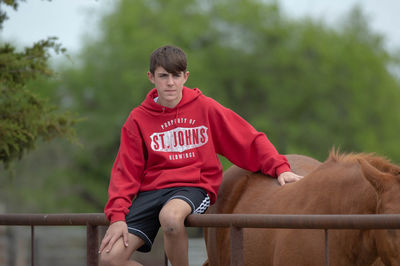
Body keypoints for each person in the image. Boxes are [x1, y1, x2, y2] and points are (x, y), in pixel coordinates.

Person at [98, 45, 303, 266]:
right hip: (151, 192)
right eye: (163, 76)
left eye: (176, 76)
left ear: (185, 77)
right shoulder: (138, 119)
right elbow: (125, 171)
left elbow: (247, 139)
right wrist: (117, 217)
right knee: (109, 260)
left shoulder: (204, 107)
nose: (170, 82)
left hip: (193, 186)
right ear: (151, 77)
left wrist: (280, 167)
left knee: (170, 218)